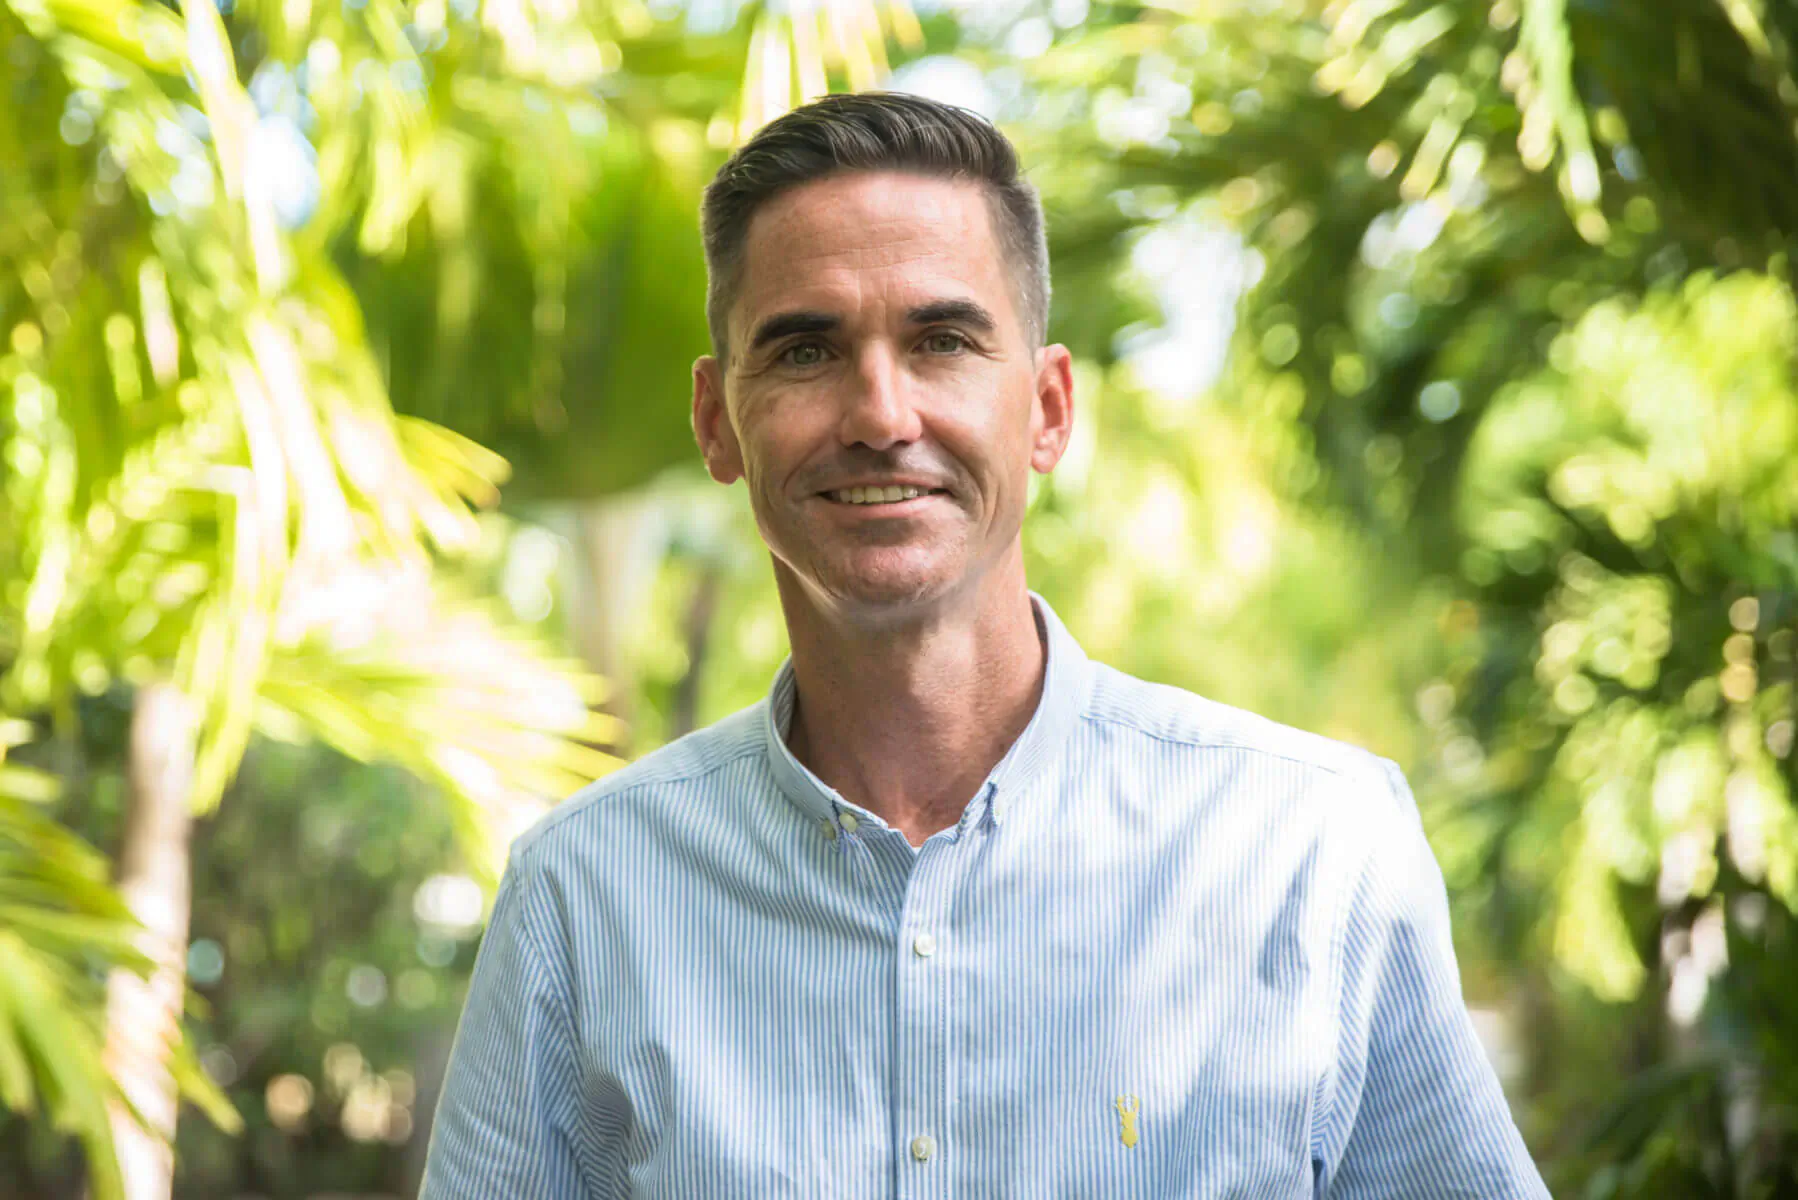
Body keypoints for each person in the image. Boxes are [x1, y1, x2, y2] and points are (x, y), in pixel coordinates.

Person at [418, 91, 1549, 1198]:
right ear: (719, 421)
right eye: (806, 352)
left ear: (1047, 408)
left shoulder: (1310, 851)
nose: (880, 414)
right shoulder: (583, 896)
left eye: (943, 340)